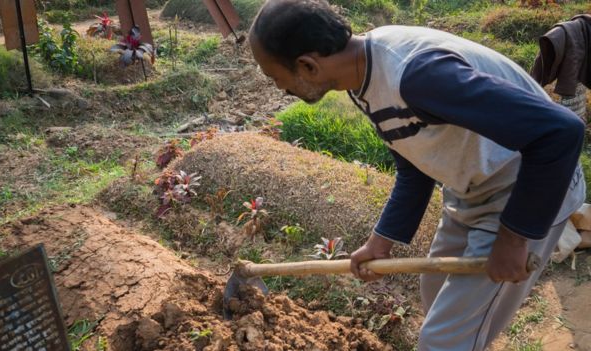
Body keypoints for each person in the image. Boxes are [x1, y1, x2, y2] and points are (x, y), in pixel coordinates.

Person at [249, 0, 586, 350]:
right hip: (473, 188)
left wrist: (514, 238)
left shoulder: (417, 75)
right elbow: (414, 165)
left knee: (443, 340)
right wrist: (381, 241)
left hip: (525, 191)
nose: (280, 89)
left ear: (307, 65)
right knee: (435, 294)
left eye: (276, 78)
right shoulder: (362, 74)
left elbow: (559, 132)